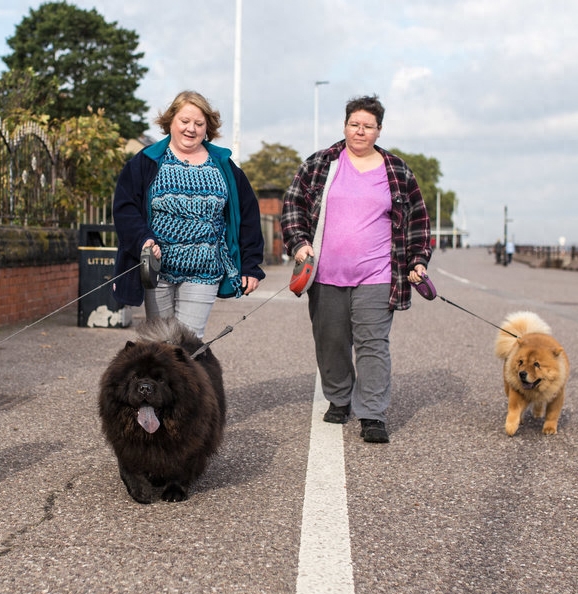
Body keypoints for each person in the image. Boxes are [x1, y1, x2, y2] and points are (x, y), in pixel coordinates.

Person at [281, 95, 431, 443]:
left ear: (379, 130)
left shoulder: (396, 170)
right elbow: (293, 204)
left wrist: (418, 260)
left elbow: (418, 221)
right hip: (325, 275)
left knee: (373, 344)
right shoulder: (321, 163)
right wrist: (299, 243)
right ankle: (339, 397)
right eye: (354, 124)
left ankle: (372, 413)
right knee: (330, 341)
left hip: (378, 275)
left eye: (368, 126)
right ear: (345, 125)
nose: (360, 131)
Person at [112, 90, 266, 338]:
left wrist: (250, 266)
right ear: (170, 122)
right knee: (159, 344)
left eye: (199, 123)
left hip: (204, 271)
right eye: (185, 121)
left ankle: (193, 378)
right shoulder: (147, 161)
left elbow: (247, 216)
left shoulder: (223, 165)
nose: (191, 129)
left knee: (188, 348)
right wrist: (144, 239)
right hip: (157, 270)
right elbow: (125, 208)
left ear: (208, 128)